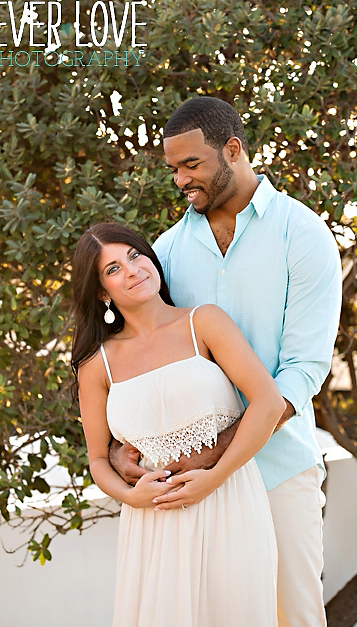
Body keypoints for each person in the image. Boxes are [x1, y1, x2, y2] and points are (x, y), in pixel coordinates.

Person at [112, 97, 341, 626]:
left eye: (191, 165)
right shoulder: (166, 251)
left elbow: (303, 371)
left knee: (295, 617)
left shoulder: (302, 236)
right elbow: (150, 357)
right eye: (173, 169)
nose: (179, 180)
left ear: (232, 150)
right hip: (190, 485)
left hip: (278, 471)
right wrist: (125, 452)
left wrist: (218, 455)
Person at [73, 222, 283, 626]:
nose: (133, 270)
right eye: (113, 269)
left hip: (229, 499)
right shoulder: (96, 365)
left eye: (135, 255)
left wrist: (215, 476)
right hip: (153, 516)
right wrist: (130, 497)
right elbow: (98, 459)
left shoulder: (203, 322)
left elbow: (268, 403)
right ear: (101, 292)